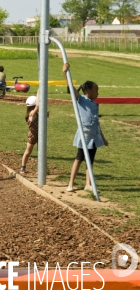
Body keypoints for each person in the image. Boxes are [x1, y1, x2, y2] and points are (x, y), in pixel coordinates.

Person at [63, 63, 108, 193]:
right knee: (79, 158)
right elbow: (71, 89)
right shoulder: (81, 100)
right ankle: (70, 183)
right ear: (88, 91)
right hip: (84, 135)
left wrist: (103, 138)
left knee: (90, 160)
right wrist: (65, 74)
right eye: (96, 90)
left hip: (94, 136)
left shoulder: (94, 104)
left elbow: (97, 123)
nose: (98, 93)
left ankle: (88, 184)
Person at [20, 92, 42, 174]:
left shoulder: (35, 114)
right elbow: (37, 106)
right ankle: (23, 167)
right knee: (28, 151)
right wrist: (39, 91)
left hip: (39, 135)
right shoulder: (32, 114)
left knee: (41, 152)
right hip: (33, 135)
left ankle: (39, 169)